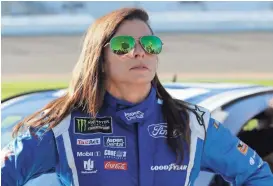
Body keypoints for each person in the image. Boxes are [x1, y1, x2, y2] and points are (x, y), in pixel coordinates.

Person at [1, 7, 273, 186]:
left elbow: (257, 175)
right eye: (123, 46)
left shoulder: (193, 124)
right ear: (100, 59)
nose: (139, 52)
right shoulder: (62, 125)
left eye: (150, 44)